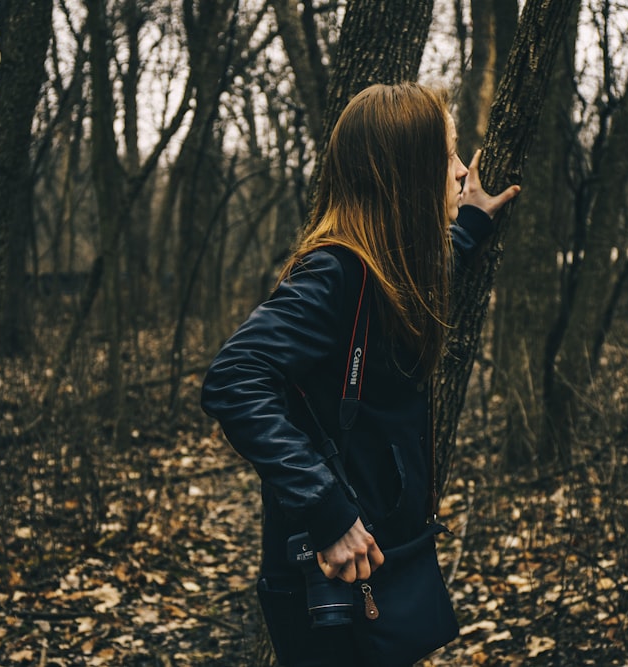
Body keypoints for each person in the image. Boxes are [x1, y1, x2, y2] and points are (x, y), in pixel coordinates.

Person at [200, 82, 520, 666]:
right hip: (332, 581)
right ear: (403, 172)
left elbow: (420, 274)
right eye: (445, 156)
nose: (457, 171)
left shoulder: (385, 266)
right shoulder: (335, 270)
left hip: (385, 564)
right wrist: (328, 513)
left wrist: (469, 226)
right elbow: (233, 378)